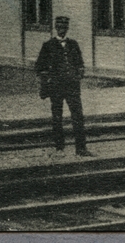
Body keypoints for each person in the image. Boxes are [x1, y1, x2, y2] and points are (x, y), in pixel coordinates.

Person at [35, 15, 92, 156]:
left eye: (64, 27)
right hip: (56, 87)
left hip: (72, 86)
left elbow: (80, 64)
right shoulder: (48, 46)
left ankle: (81, 148)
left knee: (78, 116)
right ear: (55, 28)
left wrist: (79, 73)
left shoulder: (73, 44)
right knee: (57, 117)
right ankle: (59, 148)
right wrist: (47, 79)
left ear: (67, 28)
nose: (62, 30)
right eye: (59, 27)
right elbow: (39, 67)